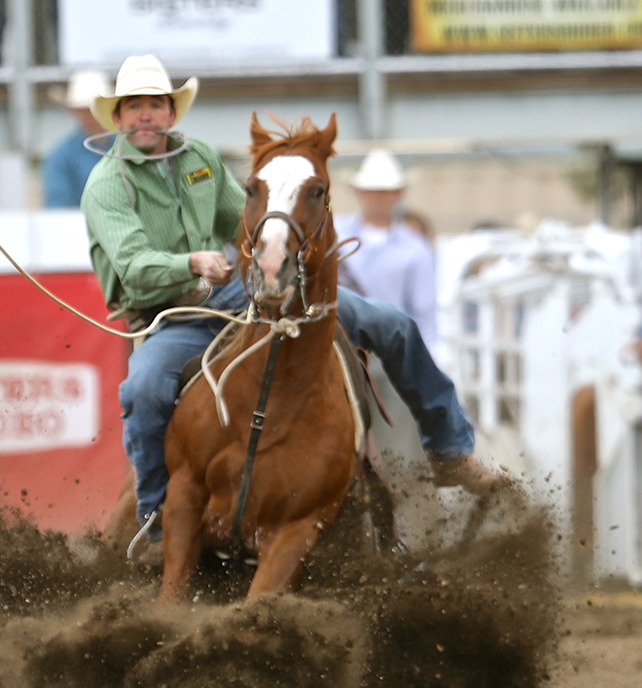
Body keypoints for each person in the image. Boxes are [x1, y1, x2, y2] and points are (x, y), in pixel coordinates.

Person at [80, 54, 506, 549]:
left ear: (172, 114)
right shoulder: (107, 186)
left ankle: (451, 449)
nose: (146, 115)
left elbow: (242, 222)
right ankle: (155, 511)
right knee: (144, 389)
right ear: (117, 118)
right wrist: (191, 264)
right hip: (169, 314)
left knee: (391, 324)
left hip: (234, 291)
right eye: (134, 107)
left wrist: (271, 248)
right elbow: (132, 265)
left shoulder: (198, 158)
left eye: (156, 105)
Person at [335, 149, 438, 348]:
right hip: (338, 343)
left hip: (389, 347)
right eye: (371, 190)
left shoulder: (416, 248)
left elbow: (424, 314)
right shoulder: (334, 233)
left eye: (384, 191)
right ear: (360, 193)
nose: (377, 197)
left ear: (398, 194)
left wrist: (428, 363)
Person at [41, 70, 112, 208]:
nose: (92, 115)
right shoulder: (61, 156)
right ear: (75, 111)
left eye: (96, 107)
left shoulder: (127, 146)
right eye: (85, 109)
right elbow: (58, 211)